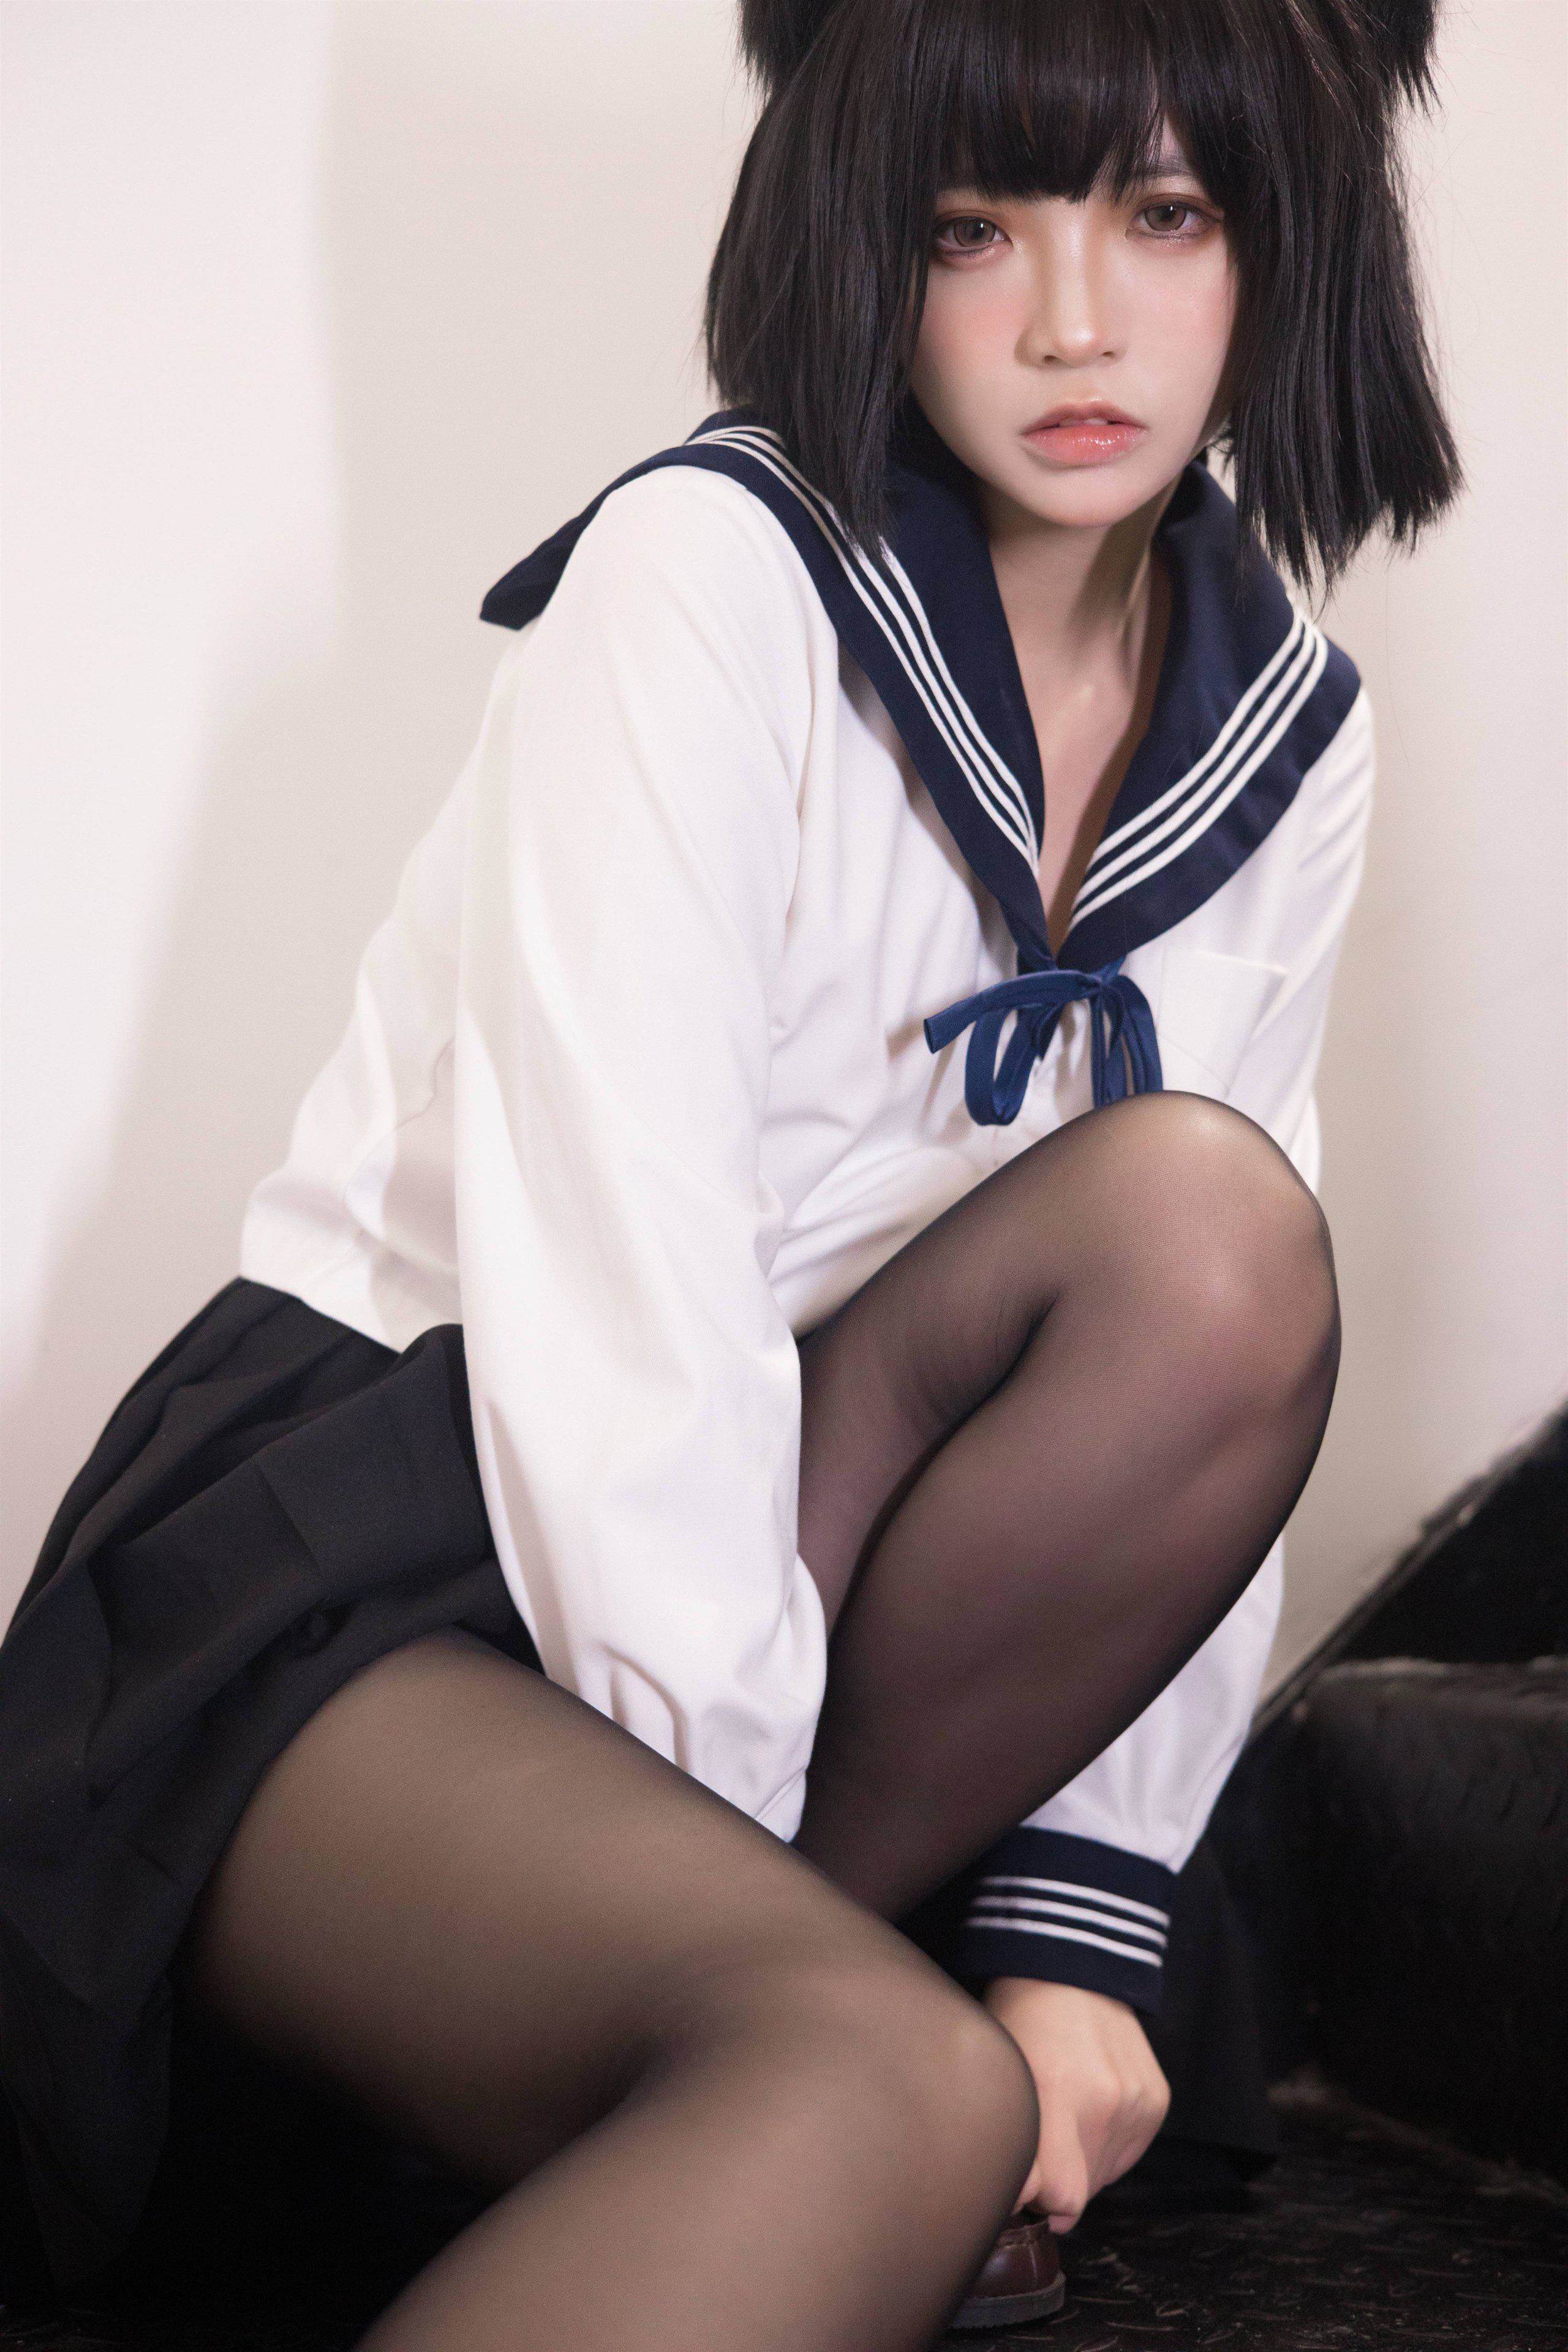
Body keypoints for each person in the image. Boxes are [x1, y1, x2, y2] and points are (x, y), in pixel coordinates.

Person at [0, 1, 1459, 2345]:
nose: (1072, 320)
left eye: (1166, 214)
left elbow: (1203, 1394)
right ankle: (739, 2041)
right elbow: (620, 1320)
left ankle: (728, 2047)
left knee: (1215, 1241)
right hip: (395, 1561)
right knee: (883, 2091)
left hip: (794, 1567)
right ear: (864, 244)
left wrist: (1077, 1940)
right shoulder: (708, 577)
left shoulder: (1287, 728)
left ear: (1287, 240)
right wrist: (775, 1904)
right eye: (974, 229)